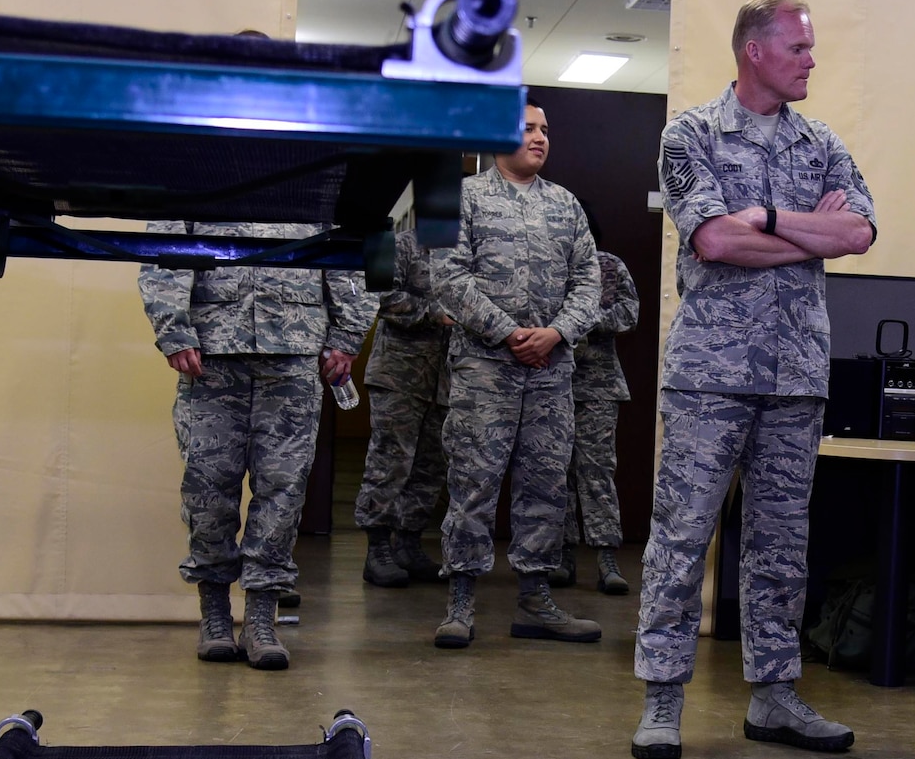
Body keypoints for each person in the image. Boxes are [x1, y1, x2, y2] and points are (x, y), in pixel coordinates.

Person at [630, 0, 876, 759]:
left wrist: (764, 221)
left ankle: (774, 696)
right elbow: (709, 239)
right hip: (711, 375)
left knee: (780, 544)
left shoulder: (822, 142)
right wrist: (808, 232)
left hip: (795, 376)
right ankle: (662, 699)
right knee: (682, 535)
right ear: (754, 52)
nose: (810, 60)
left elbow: (860, 230)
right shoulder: (691, 135)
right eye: (799, 47)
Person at [139, 223, 371, 670]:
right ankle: (216, 616)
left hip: (294, 350)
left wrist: (347, 336)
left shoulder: (313, 179)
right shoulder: (202, 167)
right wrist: (174, 330)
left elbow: (347, 253)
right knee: (207, 486)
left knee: (283, 489)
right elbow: (165, 252)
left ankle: (262, 617)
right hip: (212, 352)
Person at [430, 100, 606, 649]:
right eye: (528, 129)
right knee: (473, 481)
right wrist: (509, 333)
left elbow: (589, 284)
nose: (539, 138)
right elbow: (448, 277)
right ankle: (460, 601)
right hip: (485, 367)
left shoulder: (566, 205)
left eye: (545, 130)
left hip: (551, 370)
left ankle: (535, 598)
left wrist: (555, 334)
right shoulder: (464, 198)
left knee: (546, 484)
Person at [355, 227, 453, 588]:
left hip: (447, 378)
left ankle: (408, 543)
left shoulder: (469, 250)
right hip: (399, 373)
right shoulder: (398, 243)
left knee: (432, 463)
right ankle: (377, 547)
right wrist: (432, 312)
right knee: (390, 460)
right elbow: (377, 294)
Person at [553, 225, 641, 596]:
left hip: (599, 387)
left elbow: (629, 313)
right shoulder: (549, 267)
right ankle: (563, 555)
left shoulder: (610, 266)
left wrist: (585, 320)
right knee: (555, 472)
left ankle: (606, 557)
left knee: (596, 470)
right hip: (551, 382)